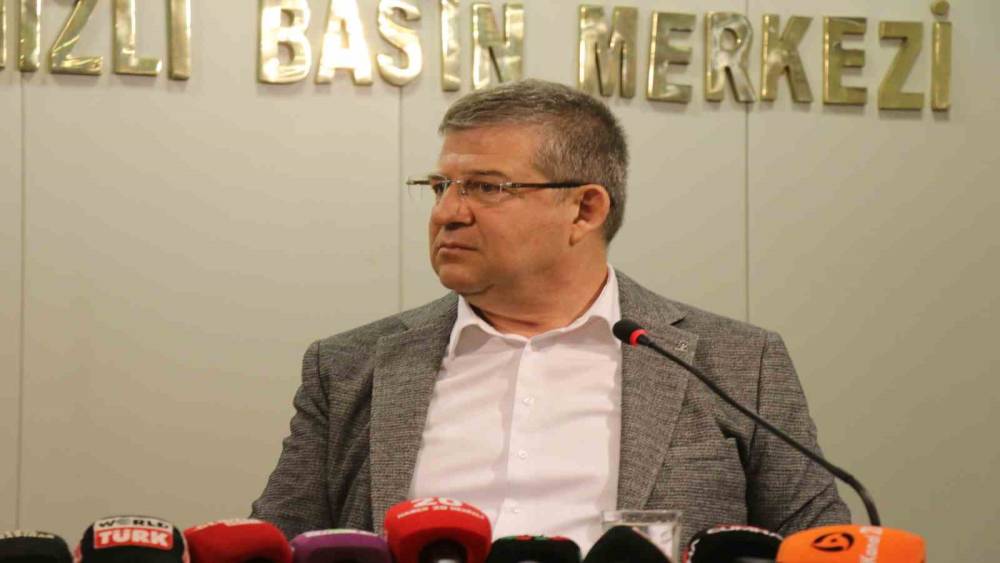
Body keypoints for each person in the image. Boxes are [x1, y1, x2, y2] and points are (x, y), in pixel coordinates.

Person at [250, 79, 850, 549]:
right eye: (440, 186)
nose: (448, 213)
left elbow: (822, 546)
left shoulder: (736, 363)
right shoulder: (350, 366)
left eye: (487, 188)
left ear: (585, 210)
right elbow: (272, 546)